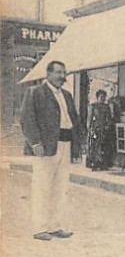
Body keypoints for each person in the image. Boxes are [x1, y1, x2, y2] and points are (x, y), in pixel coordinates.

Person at [20, 60, 82, 241]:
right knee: (42, 186)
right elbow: (27, 119)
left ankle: (55, 226)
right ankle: (39, 228)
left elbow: (74, 121)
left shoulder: (67, 95)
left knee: (61, 187)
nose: (62, 77)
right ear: (48, 74)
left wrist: (77, 145)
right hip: (45, 147)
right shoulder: (35, 92)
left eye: (64, 73)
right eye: (58, 73)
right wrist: (35, 143)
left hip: (65, 144)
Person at [86, 89, 115, 171]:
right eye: (101, 97)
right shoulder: (93, 106)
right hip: (95, 128)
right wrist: (90, 129)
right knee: (94, 147)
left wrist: (108, 126)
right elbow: (89, 119)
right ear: (97, 97)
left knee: (104, 147)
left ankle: (103, 164)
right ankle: (94, 164)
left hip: (104, 129)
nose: (103, 99)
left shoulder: (106, 107)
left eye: (104, 97)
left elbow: (109, 118)